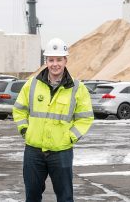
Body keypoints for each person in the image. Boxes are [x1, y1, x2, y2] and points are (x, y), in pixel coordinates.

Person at [12, 38, 94, 202]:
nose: (55, 64)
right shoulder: (32, 84)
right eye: (51, 60)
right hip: (34, 151)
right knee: (32, 196)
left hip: (61, 151)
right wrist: (24, 130)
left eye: (59, 59)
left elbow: (85, 118)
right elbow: (19, 110)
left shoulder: (78, 88)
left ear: (65, 60)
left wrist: (70, 137)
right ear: (46, 61)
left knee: (65, 197)